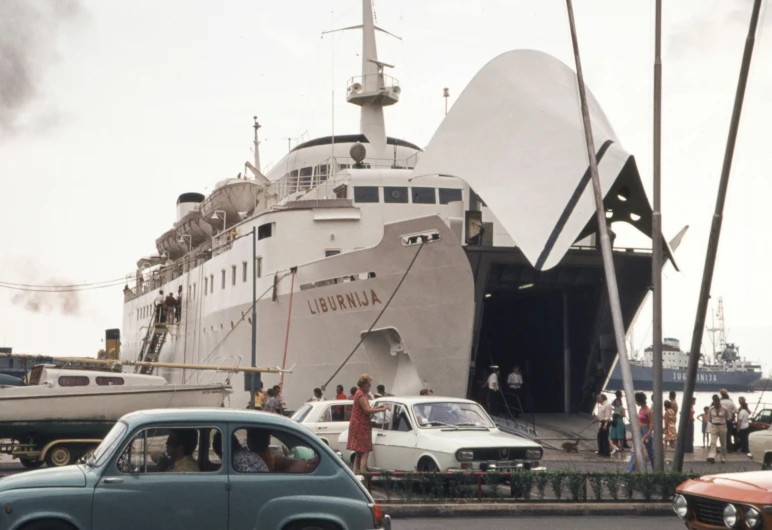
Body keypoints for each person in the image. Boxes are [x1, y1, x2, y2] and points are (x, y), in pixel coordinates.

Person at [347, 374, 388, 474]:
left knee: (358, 452)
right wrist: (381, 409)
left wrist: (379, 407)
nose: (370, 387)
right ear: (364, 384)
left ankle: (356, 473)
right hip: (361, 425)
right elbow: (367, 410)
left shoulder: (360, 393)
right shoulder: (360, 394)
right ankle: (363, 473)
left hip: (359, 424)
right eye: (369, 385)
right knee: (365, 451)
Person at [627, 392, 655, 472]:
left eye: (636, 401)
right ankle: (630, 470)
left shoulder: (648, 411)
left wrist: (648, 433)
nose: (636, 403)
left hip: (646, 430)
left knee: (650, 452)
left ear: (640, 401)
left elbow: (651, 423)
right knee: (635, 450)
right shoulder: (640, 410)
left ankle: (655, 469)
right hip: (640, 430)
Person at [707, 394, 729, 463]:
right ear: (713, 402)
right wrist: (714, 422)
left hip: (722, 425)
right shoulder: (710, 409)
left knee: (723, 443)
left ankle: (723, 457)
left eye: (717, 401)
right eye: (715, 401)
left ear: (719, 401)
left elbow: (727, 417)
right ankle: (712, 456)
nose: (716, 403)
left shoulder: (725, 408)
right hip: (714, 426)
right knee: (713, 442)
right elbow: (709, 418)